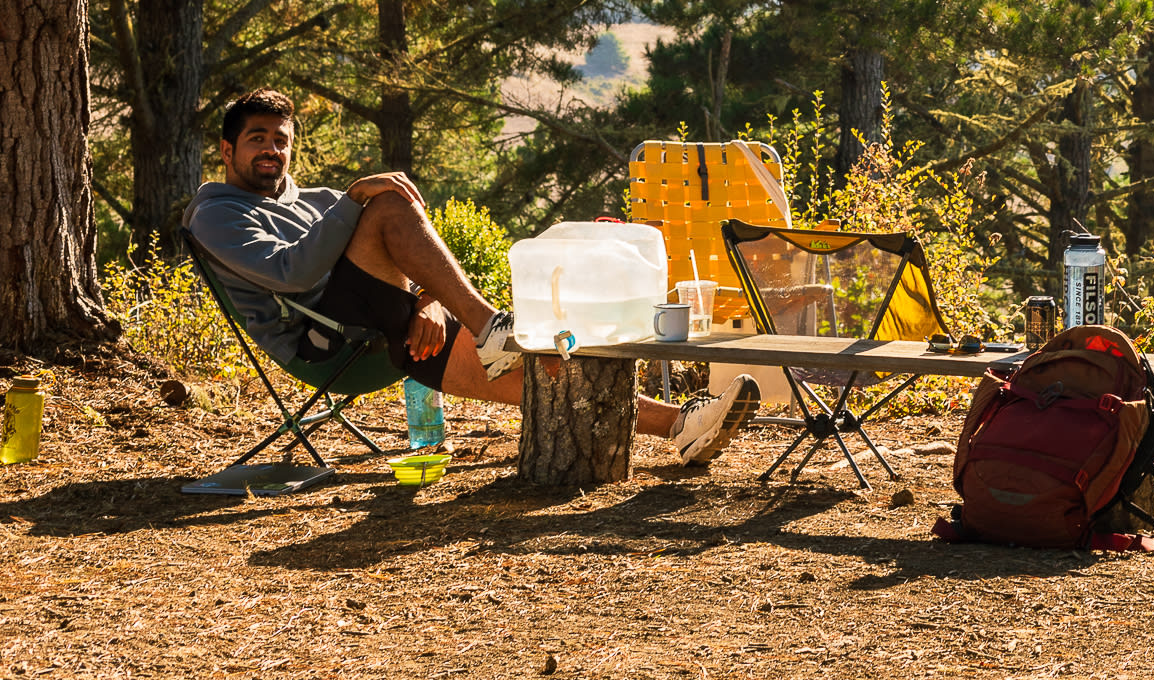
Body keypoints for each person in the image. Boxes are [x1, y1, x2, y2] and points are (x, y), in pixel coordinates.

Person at [184, 89, 753, 466]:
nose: (271, 150)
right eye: (257, 138)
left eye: (280, 139)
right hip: (325, 343)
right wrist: (357, 197)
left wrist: (431, 300)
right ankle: (488, 327)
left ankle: (680, 424)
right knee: (384, 205)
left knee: (534, 352)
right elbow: (290, 274)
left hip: (387, 327)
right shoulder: (216, 213)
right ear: (227, 150)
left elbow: (397, 260)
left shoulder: (317, 200)